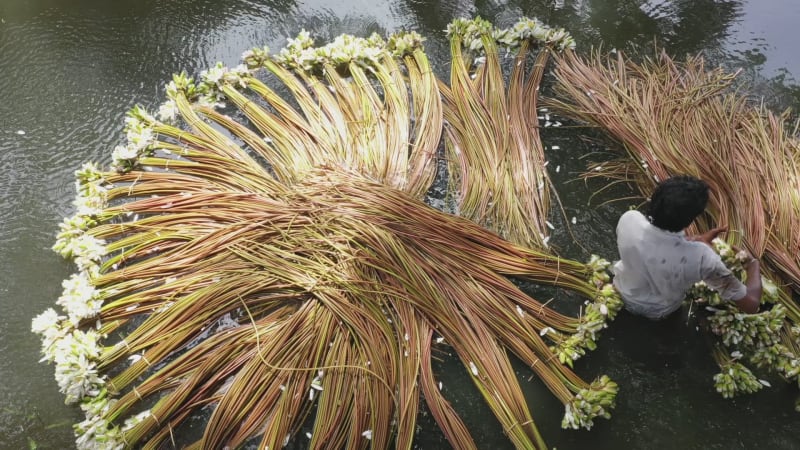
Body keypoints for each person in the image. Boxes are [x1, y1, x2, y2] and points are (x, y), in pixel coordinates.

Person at [612, 175, 761, 320]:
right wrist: (753, 265)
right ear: (690, 220)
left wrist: (697, 240)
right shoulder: (703, 258)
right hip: (658, 312)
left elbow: (657, 246)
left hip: (621, 291)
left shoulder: (629, 219)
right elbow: (750, 304)